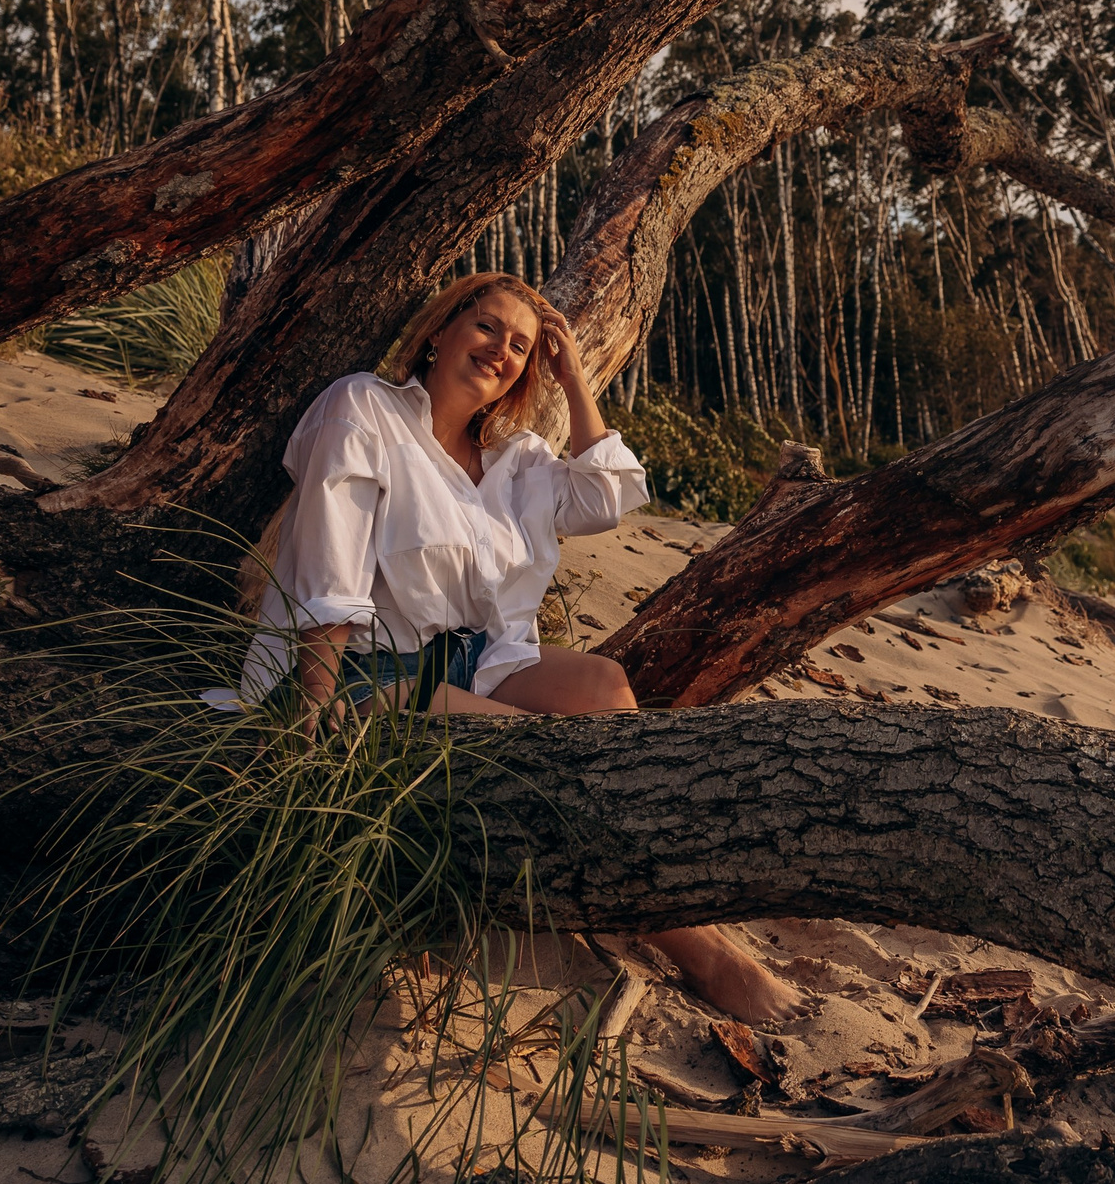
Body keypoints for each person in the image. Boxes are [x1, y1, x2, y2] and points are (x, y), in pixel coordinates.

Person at [238, 271, 802, 1026]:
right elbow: (327, 568)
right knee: (545, 763)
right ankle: (700, 949)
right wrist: (308, 710)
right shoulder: (363, 408)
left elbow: (610, 495)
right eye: (486, 327)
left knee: (604, 687)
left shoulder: (516, 461)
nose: (500, 350)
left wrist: (573, 376)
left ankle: (643, 880)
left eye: (521, 345)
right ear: (439, 330)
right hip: (357, 673)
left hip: (470, 661)